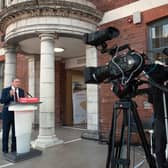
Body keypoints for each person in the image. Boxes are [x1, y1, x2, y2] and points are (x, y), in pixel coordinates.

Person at [147, 64, 168, 168]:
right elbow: (151, 102)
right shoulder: (154, 82)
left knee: (159, 147)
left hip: (160, 118)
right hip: (159, 118)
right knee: (159, 148)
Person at [0, 77, 25, 154]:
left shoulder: (21, 91)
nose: (18, 83)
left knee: (15, 132)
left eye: (19, 82)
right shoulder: (5, 90)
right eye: (16, 82)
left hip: (17, 114)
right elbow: (2, 101)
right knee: (6, 132)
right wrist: (10, 95)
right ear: (12, 83)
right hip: (7, 114)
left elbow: (22, 101)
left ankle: (14, 149)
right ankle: (5, 149)